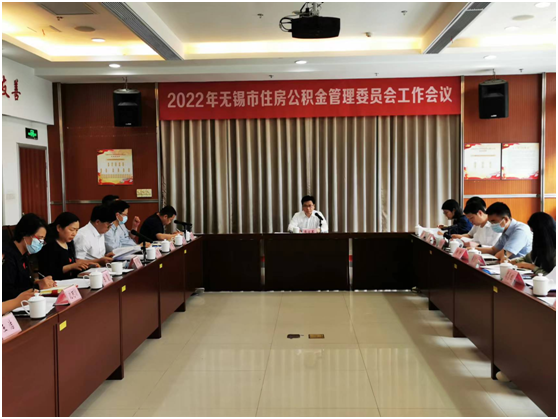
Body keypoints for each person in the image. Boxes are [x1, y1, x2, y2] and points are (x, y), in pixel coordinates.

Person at [2, 214, 56, 302]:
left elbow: (22, 283)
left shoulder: (24, 254)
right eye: (39, 238)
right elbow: (6, 293)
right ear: (25, 234)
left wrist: (38, 282)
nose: (41, 243)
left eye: (43, 240)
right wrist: (37, 287)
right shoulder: (7, 256)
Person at [38, 212, 98, 281]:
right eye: (71, 230)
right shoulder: (48, 245)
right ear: (59, 228)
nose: (74, 234)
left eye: (76, 230)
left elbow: (72, 265)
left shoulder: (69, 243)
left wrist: (86, 266)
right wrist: (71, 266)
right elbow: (49, 272)